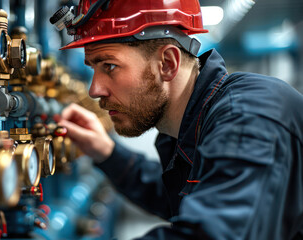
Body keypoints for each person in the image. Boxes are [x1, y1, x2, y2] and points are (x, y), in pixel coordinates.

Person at [51, 0, 303, 239]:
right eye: (93, 69)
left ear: (168, 63)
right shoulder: (191, 126)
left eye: (109, 66)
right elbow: (187, 198)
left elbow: (211, 236)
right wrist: (105, 152)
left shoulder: (249, 118)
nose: (94, 90)